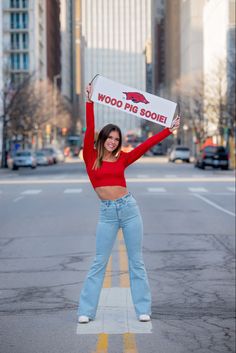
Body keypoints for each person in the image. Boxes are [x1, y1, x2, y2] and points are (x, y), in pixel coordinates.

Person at [78, 83, 180, 323]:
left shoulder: (123, 159)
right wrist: (90, 101)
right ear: (102, 139)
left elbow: (145, 146)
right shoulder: (90, 156)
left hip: (129, 209)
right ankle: (85, 311)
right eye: (109, 137)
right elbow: (89, 127)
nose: (112, 141)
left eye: (116, 138)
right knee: (98, 263)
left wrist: (168, 130)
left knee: (136, 262)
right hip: (107, 214)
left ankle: (143, 309)